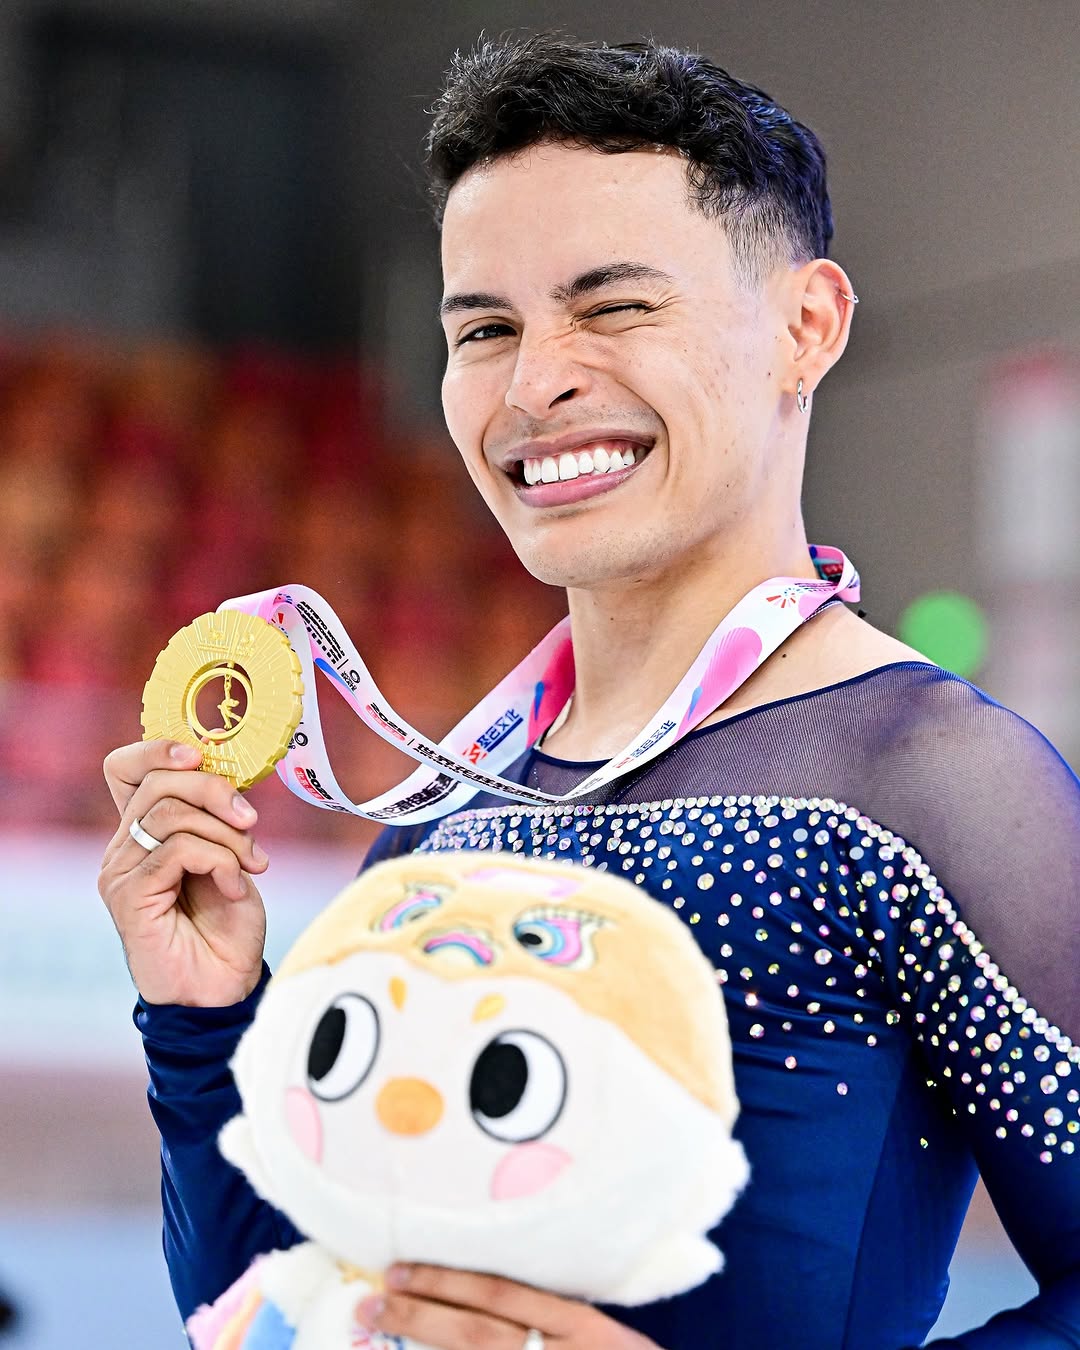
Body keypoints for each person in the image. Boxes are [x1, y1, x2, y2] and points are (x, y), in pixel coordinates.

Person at [97, 35, 1080, 1350]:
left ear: (807, 327)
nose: (533, 382)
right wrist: (203, 1010)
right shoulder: (452, 803)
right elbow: (275, 1306)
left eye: (612, 306)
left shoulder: (935, 783)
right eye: (485, 328)